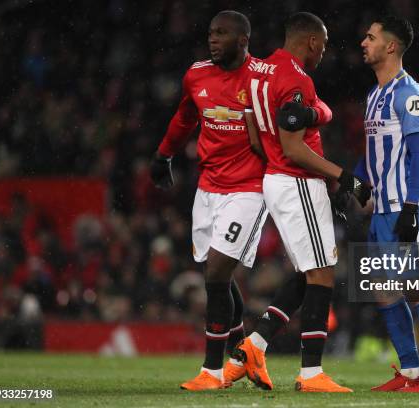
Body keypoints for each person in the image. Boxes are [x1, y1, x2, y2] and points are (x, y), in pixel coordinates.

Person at [231, 12, 370, 393]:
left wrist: (317, 114)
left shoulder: (259, 70)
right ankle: (311, 374)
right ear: (311, 41)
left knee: (310, 272)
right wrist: (344, 177)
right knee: (323, 272)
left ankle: (254, 346)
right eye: (323, 46)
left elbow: (257, 136)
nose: (324, 53)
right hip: (296, 183)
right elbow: (294, 148)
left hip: (278, 180)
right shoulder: (296, 78)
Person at [150, 10, 268, 391]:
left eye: (222, 34)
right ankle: (243, 354)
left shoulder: (261, 79)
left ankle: (213, 372)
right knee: (218, 275)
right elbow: (185, 116)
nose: (213, 40)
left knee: (215, 274)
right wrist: (164, 154)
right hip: (209, 188)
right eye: (211, 33)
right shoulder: (197, 74)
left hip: (249, 189)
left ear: (243, 40)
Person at [354, 16, 419, 392]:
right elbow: (372, 151)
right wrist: (358, 183)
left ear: (390, 46)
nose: (364, 42)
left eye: (370, 37)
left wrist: (410, 208)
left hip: (406, 206)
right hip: (382, 209)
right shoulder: (374, 94)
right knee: (383, 289)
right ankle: (411, 372)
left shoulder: (408, 93)